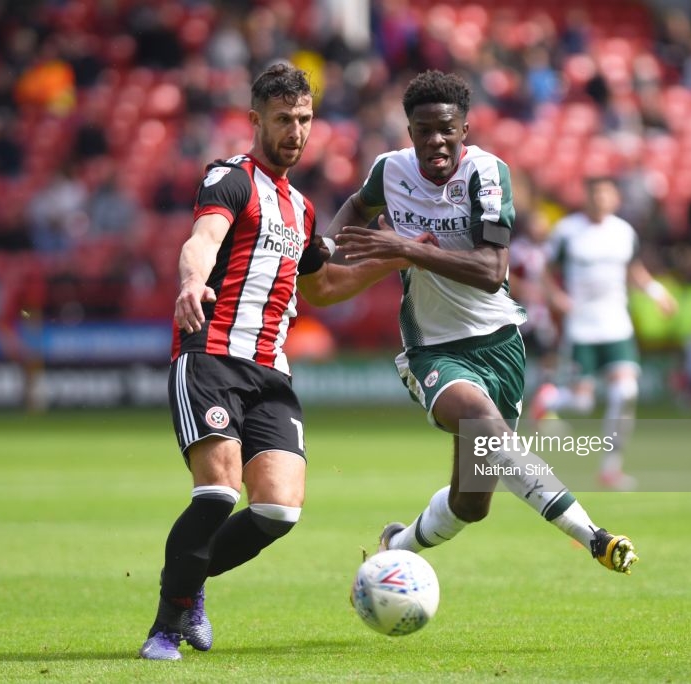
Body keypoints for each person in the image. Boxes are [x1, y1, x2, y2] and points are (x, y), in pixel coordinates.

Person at [139, 63, 412, 661]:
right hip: (210, 356)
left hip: (271, 371)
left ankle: (191, 585)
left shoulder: (303, 211)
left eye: (305, 119)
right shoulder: (230, 179)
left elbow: (320, 289)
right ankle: (164, 627)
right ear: (256, 119)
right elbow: (203, 239)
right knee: (218, 492)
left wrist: (392, 259)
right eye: (284, 119)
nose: (296, 130)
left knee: (278, 507)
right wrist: (191, 283)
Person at [327, 70, 638, 581]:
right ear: (410, 133)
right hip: (433, 348)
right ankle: (596, 538)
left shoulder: (487, 175)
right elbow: (358, 205)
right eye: (423, 130)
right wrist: (324, 245)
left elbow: (493, 272)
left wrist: (405, 248)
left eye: (446, 129)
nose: (435, 141)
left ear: (464, 129)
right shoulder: (389, 171)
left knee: (471, 504)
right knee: (484, 424)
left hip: (499, 346)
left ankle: (396, 544)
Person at [531, 176, 678, 490]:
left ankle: (611, 468)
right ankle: (549, 398)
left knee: (625, 393)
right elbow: (542, 270)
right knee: (582, 403)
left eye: (606, 194)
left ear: (615, 198)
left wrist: (655, 291)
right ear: (586, 197)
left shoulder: (623, 232)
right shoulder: (568, 232)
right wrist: (555, 296)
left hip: (616, 324)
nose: (600, 199)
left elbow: (633, 270)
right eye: (595, 193)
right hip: (582, 327)